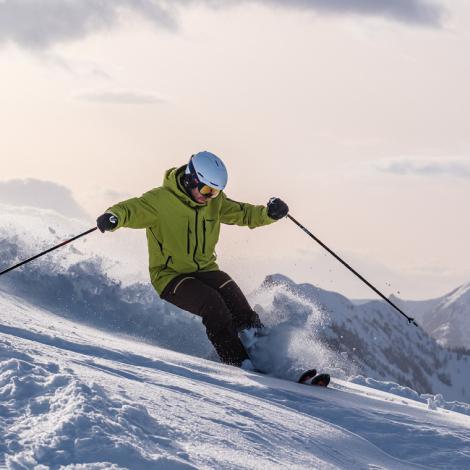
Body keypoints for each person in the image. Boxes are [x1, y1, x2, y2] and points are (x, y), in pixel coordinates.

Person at [96, 151, 288, 369]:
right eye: (206, 190)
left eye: (215, 192)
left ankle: (267, 356)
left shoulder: (214, 202)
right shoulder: (160, 201)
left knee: (235, 299)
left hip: (205, 269)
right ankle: (238, 362)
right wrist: (113, 217)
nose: (208, 197)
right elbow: (132, 209)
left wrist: (269, 214)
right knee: (213, 304)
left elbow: (243, 213)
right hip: (170, 275)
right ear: (191, 178)